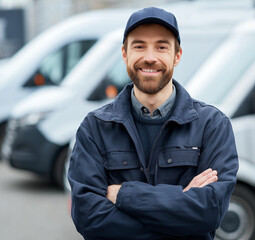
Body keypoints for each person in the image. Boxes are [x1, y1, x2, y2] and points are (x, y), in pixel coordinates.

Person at [68, 7, 238, 240]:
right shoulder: (95, 128)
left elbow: (210, 212)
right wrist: (182, 209)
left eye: (161, 46)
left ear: (177, 55)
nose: (150, 57)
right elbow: (89, 218)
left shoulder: (212, 126)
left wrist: (124, 194)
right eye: (139, 46)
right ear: (124, 54)